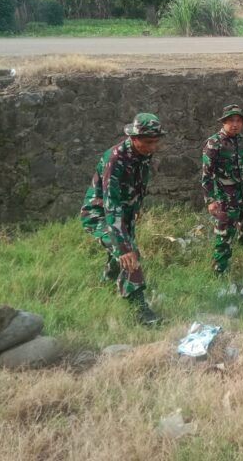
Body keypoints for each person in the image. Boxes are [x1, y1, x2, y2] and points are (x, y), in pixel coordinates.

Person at [80, 112, 165, 325]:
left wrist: (136, 207)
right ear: (134, 138)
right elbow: (111, 204)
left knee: (118, 254)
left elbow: (137, 184)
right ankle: (140, 311)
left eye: (155, 142)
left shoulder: (143, 153)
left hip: (123, 214)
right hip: (99, 214)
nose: (152, 147)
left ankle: (104, 286)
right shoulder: (115, 159)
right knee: (129, 254)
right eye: (148, 142)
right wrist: (123, 245)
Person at [201, 104, 243, 274]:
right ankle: (218, 271)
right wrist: (210, 200)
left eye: (238, 121)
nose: (235, 124)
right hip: (225, 194)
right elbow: (206, 175)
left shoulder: (242, 140)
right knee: (225, 232)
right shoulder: (214, 143)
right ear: (223, 122)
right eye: (231, 121)